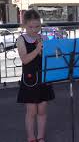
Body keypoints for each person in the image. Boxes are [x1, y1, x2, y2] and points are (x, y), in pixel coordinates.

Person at [16, 9, 55, 142]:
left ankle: (41, 137)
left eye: (37, 26)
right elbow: (25, 59)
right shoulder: (21, 39)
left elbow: (47, 58)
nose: (34, 30)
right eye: (30, 27)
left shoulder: (43, 38)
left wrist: (45, 51)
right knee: (31, 111)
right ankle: (31, 137)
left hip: (43, 77)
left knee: (42, 110)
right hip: (30, 78)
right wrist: (37, 49)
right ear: (24, 26)